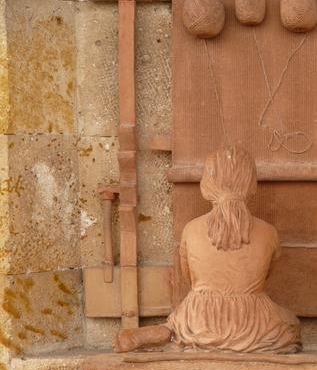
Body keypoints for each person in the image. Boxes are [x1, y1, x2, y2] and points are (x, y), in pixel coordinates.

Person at [114, 147, 301, 354]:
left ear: (206, 185)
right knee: (291, 323)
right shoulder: (268, 232)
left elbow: (189, 278)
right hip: (254, 322)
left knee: (180, 323)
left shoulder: (191, 229)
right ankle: (178, 332)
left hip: (198, 318)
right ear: (251, 186)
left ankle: (167, 332)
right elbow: (266, 276)